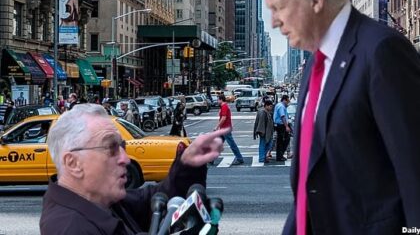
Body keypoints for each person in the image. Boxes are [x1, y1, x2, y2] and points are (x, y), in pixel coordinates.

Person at [254, 0, 420, 234]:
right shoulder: (313, 65)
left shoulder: (382, 51)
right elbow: (310, 184)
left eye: (279, 7)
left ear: (316, 1)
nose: (274, 22)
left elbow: (415, 170)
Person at [39, 103, 229, 234]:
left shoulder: (103, 201)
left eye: (122, 147)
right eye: (111, 148)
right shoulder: (70, 228)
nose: (125, 158)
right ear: (73, 163)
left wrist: (188, 164)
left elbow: (155, 198)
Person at [214, 94, 244, 165]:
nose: (217, 101)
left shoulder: (224, 106)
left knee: (232, 144)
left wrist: (217, 127)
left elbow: (223, 118)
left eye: (218, 99)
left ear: (221, 99)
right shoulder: (223, 106)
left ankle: (239, 158)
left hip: (225, 128)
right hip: (224, 128)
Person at [273, 95, 291, 162]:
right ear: (284, 100)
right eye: (288, 101)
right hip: (281, 125)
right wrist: (286, 126)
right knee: (284, 140)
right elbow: (282, 116)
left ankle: (280, 155)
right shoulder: (281, 106)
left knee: (282, 140)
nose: (288, 102)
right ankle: (280, 156)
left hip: (279, 125)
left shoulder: (280, 105)